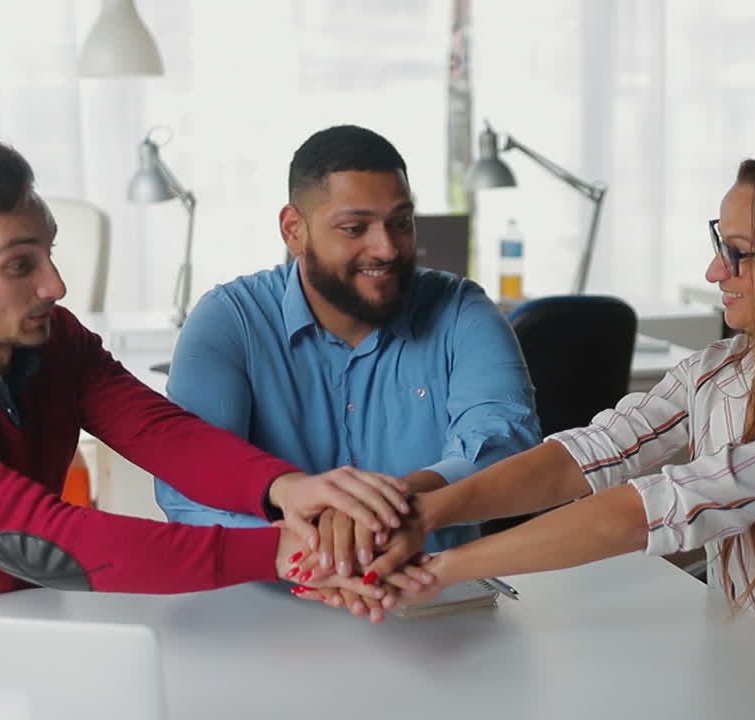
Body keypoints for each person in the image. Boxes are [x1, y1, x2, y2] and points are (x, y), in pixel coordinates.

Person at [300, 147, 755, 706]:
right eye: (720, 245)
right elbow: (587, 454)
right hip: (748, 670)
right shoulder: (719, 369)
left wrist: (438, 569)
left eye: (741, 254)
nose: (716, 272)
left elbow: (652, 510)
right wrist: (424, 515)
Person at [0, 135, 415, 607]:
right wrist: (281, 552)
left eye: (50, 252)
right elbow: (47, 541)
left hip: (32, 621)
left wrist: (287, 488)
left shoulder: (55, 341)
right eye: (20, 265)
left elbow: (161, 433)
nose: (55, 285)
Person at [154, 124, 540, 621]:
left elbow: (509, 447)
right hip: (267, 617)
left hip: (440, 613)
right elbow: (187, 489)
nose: (387, 248)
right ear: (294, 230)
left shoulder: (462, 310)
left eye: (401, 222)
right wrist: (312, 542)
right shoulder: (229, 321)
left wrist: (386, 505)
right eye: (355, 228)